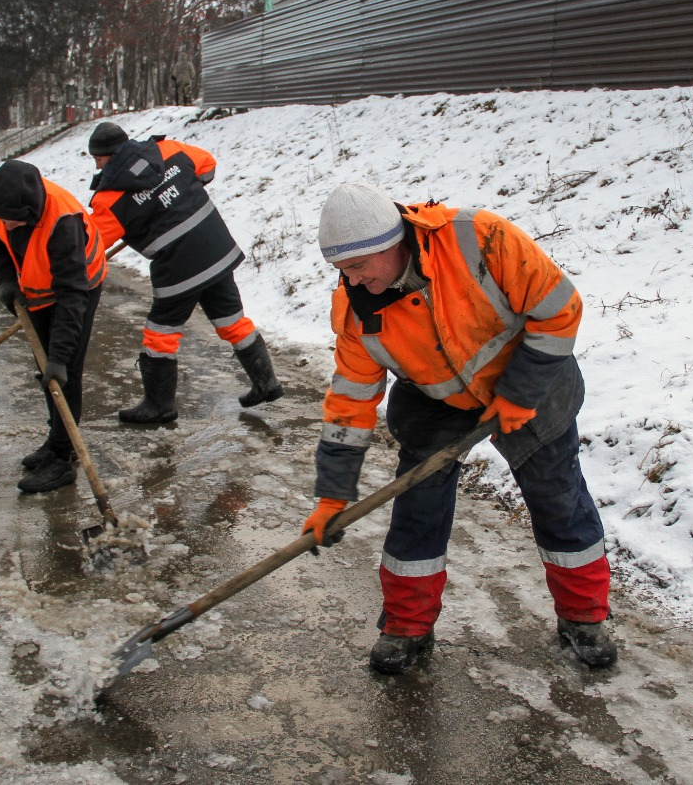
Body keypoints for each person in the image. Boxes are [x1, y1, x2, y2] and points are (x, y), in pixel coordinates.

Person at [303, 181, 615, 674]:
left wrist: (520, 393)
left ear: (391, 244)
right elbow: (350, 402)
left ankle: (584, 618)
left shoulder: (479, 238)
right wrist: (331, 495)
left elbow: (560, 311)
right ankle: (407, 626)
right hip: (436, 398)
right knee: (418, 507)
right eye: (342, 271)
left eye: (359, 267)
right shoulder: (357, 311)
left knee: (557, 497)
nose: (353, 281)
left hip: (530, 375)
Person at [85, 121, 283, 424]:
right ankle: (266, 382)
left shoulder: (108, 198)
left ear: (106, 157)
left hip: (179, 266)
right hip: (215, 247)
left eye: (97, 159)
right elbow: (207, 167)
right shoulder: (168, 150)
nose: (97, 165)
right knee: (232, 320)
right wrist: (177, 191)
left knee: (160, 332)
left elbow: (93, 242)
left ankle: (159, 405)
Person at [0, 160, 108, 493]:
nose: (6, 224)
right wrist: (5, 280)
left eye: (14, 220)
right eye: (2, 218)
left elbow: (72, 295)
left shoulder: (62, 221)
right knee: (44, 364)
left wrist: (61, 356)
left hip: (79, 285)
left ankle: (62, 460)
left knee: (63, 370)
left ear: (31, 212)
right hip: (34, 288)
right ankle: (56, 440)